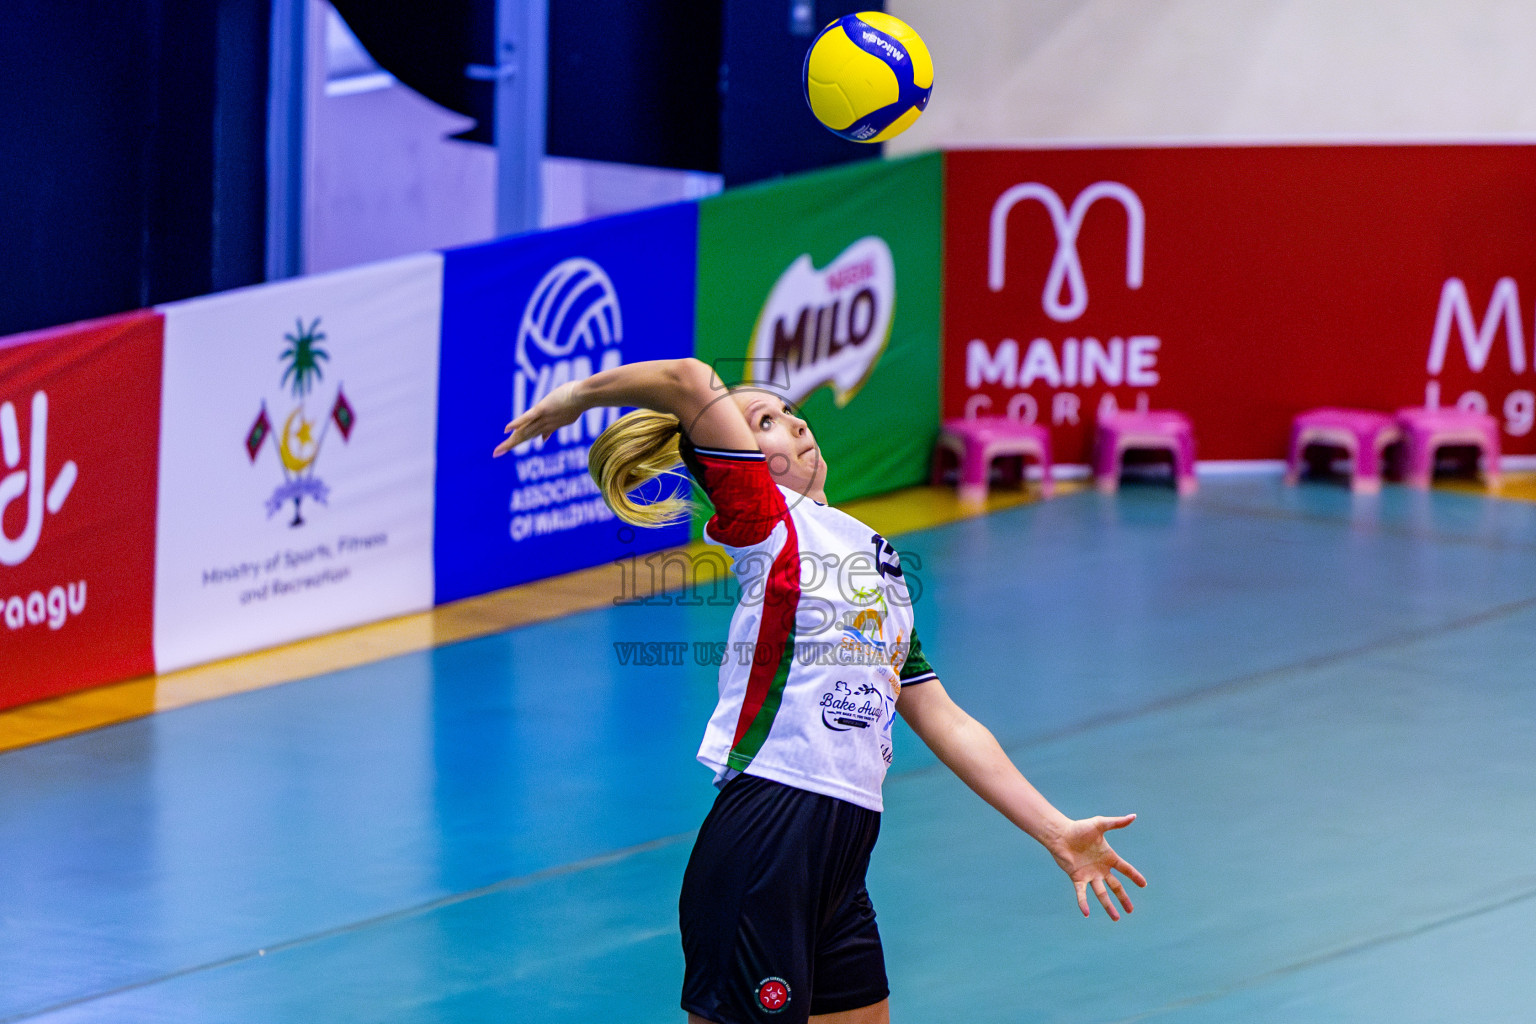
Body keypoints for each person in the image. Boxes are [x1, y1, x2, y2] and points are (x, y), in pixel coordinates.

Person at [495, 357, 1146, 1024]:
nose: (796, 422)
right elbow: (688, 378)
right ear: (733, 460)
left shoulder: (879, 561)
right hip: (772, 828)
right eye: (765, 422)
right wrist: (575, 397)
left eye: (786, 411)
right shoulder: (766, 521)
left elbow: (941, 715)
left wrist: (1055, 830)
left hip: (843, 853)